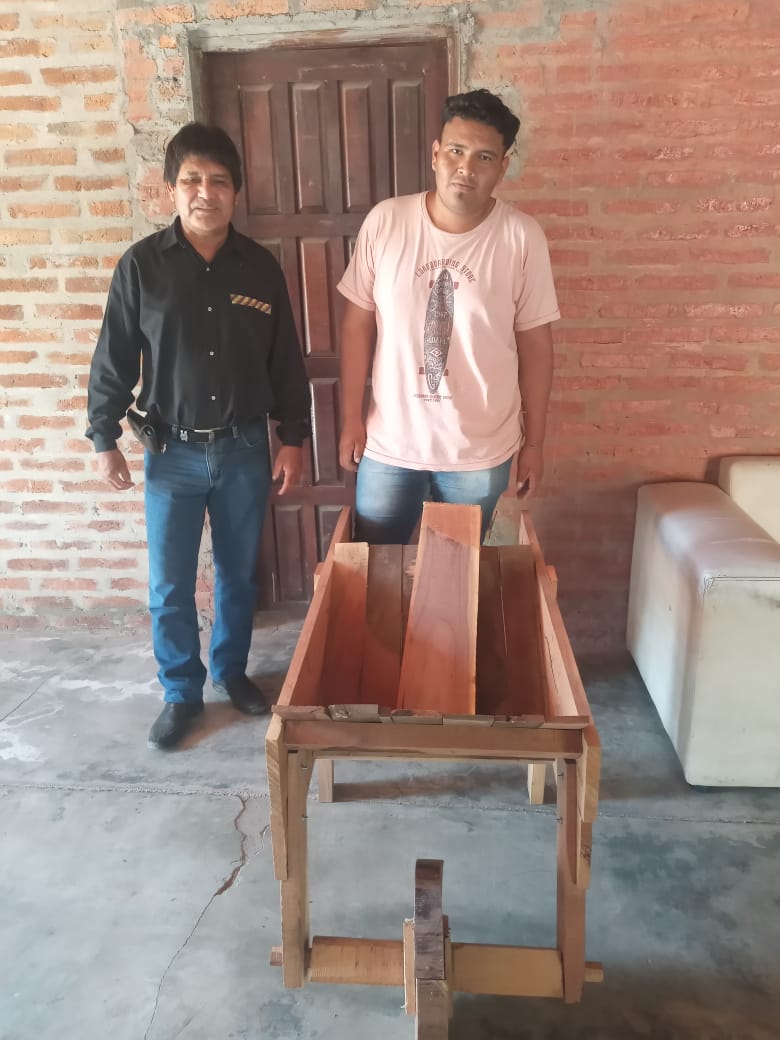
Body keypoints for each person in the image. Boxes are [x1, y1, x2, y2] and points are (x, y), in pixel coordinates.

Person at [86, 122, 311, 750]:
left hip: (244, 450)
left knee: (238, 575)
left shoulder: (260, 268)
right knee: (170, 583)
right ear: (170, 189)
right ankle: (181, 691)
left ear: (236, 192)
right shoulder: (142, 267)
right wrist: (103, 436)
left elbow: (285, 361)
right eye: (191, 180)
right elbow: (113, 356)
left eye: (218, 181)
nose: (204, 193)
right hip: (172, 454)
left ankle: (231, 671)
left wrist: (294, 437)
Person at [337, 88, 559, 544]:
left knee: (455, 572)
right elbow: (358, 324)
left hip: (478, 453)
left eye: (484, 157)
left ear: (503, 166)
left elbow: (536, 346)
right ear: (436, 154)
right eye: (456, 151)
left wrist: (535, 443)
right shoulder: (386, 222)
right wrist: (350, 419)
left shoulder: (521, 237)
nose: (466, 168)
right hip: (389, 445)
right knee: (376, 565)